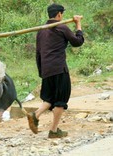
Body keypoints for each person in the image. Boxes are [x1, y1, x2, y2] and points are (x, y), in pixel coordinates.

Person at [28, 3, 84, 138]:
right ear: (59, 14)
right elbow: (77, 42)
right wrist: (78, 25)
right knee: (60, 99)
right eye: (62, 14)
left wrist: (42, 71)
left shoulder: (41, 30)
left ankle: (35, 115)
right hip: (59, 69)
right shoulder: (61, 27)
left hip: (46, 70)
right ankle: (53, 131)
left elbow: (38, 53)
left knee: (49, 98)